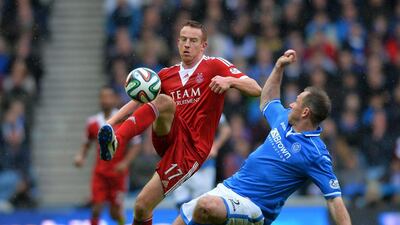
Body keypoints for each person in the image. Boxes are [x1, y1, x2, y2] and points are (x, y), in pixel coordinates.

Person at [97, 20, 261, 225]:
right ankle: (117, 140)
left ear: (203, 46)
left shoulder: (215, 66)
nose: (187, 44)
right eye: (183, 39)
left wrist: (230, 81)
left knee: (141, 207)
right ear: (177, 42)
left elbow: (256, 88)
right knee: (162, 100)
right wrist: (110, 124)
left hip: (191, 149)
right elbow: (137, 100)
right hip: (168, 136)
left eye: (193, 41)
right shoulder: (166, 75)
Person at [172, 50, 352, 225]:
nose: (290, 103)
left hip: (255, 207)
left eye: (296, 101)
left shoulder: (316, 153)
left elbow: (334, 200)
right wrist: (279, 67)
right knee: (184, 216)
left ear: (305, 112)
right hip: (230, 188)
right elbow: (268, 99)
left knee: (206, 206)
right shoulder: (284, 119)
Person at [74, 86, 142, 225]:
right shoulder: (93, 122)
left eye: (108, 96)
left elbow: (136, 144)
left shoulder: (123, 118)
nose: (105, 100)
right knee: (96, 207)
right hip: (100, 173)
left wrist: (125, 163)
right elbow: (86, 143)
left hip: (118, 173)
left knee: (115, 213)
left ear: (115, 99)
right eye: (103, 97)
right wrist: (81, 156)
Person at [172, 113, 232, 209]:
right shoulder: (179, 102)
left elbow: (226, 130)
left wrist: (215, 146)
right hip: (180, 163)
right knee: (181, 204)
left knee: (201, 206)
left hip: (204, 166)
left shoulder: (210, 105)